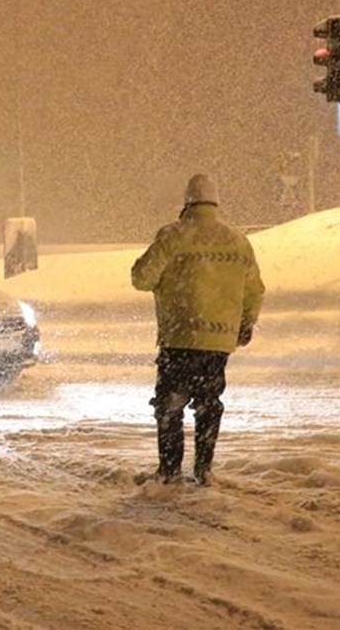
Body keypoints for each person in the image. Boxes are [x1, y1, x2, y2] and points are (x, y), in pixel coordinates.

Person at [131, 174, 265, 486]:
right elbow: (255, 289)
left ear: (187, 202)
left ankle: (169, 471)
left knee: (170, 405)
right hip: (218, 340)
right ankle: (204, 469)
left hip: (180, 335)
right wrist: (246, 322)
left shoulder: (174, 235)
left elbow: (142, 278)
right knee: (208, 403)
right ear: (216, 203)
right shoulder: (237, 241)